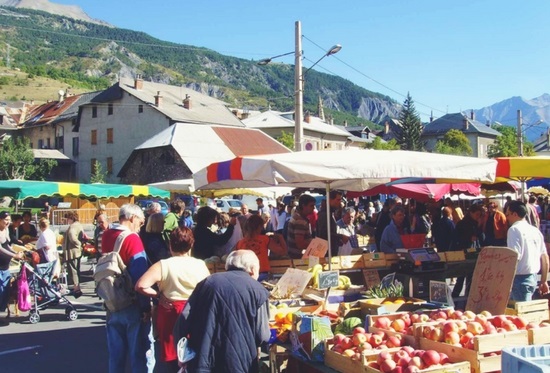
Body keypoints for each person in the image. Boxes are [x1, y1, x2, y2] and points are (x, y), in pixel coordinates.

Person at [174, 250, 271, 373]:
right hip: (241, 362)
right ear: (252, 269)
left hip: (203, 359)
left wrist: (182, 352)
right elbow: (263, 335)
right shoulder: (258, 290)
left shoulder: (207, 282)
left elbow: (183, 318)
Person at [135, 227, 209, 371]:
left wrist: (158, 295)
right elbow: (208, 289)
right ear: (191, 245)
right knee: (194, 353)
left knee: (173, 357)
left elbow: (141, 285)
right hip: (194, 312)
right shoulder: (200, 264)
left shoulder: (163, 265)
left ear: (170, 245)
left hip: (170, 313)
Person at [101, 204, 152, 373]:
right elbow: (139, 274)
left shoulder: (107, 235)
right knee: (139, 354)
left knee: (115, 355)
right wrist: (146, 306)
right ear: (132, 218)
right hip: (131, 302)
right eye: (141, 221)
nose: (141, 225)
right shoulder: (132, 239)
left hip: (112, 300)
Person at [506, 201, 549, 301]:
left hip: (519, 279)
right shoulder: (535, 230)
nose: (507, 217)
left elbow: (514, 257)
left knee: (520, 314)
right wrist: (544, 281)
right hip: (533, 278)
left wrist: (506, 280)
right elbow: (545, 257)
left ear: (515, 214)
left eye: (507, 214)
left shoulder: (514, 230)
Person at [235, 214, 287, 280]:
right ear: (259, 227)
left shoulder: (240, 243)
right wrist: (280, 237)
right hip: (262, 275)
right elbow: (283, 252)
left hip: (245, 277)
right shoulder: (265, 239)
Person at [452, 204, 484, 298]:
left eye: (479, 215)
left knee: (470, 277)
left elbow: (482, 237)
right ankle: (456, 296)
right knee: (461, 277)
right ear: (471, 213)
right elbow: (457, 239)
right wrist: (469, 238)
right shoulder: (462, 224)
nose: (478, 216)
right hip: (464, 252)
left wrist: (480, 225)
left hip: (474, 252)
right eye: (477, 214)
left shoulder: (476, 224)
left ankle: (467, 296)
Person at [0, 211, 24, 323]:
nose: (8, 222)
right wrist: (15, 255)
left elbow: (7, 246)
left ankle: (2, 310)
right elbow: (0, 248)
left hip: (5, 266)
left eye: (9, 220)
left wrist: (17, 252)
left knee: (5, 290)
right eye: (6, 220)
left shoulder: (6, 230)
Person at [63, 211, 84, 298]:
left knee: (73, 270)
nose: (67, 220)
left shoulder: (72, 227)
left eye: (68, 218)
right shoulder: (79, 225)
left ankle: (76, 288)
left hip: (72, 251)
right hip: (77, 252)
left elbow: (72, 237)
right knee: (77, 269)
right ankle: (77, 286)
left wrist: (78, 244)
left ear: (71, 218)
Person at [287, 194, 316, 259]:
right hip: (298, 257)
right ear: (303, 206)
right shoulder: (300, 221)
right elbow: (300, 244)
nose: (314, 208)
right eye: (311, 206)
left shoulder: (298, 217)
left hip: (295, 256)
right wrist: (315, 245)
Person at [317, 191, 345, 257]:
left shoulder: (330, 213)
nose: (339, 202)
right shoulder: (325, 214)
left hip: (331, 251)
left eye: (340, 200)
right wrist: (341, 237)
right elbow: (324, 234)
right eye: (338, 200)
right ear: (330, 200)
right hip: (326, 252)